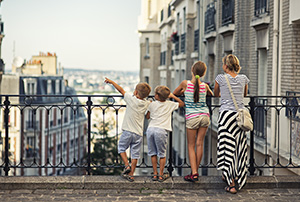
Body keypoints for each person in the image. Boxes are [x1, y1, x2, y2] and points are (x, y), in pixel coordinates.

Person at [214, 54, 249, 194]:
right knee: (238, 149)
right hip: (239, 117)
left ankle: (231, 183)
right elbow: (244, 95)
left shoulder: (220, 78)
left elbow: (216, 94)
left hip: (226, 117)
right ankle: (236, 177)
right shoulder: (244, 78)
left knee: (226, 148)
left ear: (226, 66)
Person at [104, 78, 151, 182]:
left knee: (121, 148)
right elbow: (148, 116)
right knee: (135, 154)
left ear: (136, 92)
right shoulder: (147, 104)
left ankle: (126, 165)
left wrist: (111, 82)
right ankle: (131, 175)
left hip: (127, 131)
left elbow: (121, 90)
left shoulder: (131, 99)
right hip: (138, 133)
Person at [173, 61, 213, 182]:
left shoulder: (185, 84)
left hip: (192, 117)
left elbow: (174, 93)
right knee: (199, 143)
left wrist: (183, 92)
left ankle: (194, 173)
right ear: (203, 73)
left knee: (191, 145)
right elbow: (211, 94)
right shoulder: (205, 86)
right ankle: (196, 171)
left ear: (192, 70)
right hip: (205, 116)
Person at [146, 86, 184, 182]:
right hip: (161, 130)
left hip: (150, 129)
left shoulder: (152, 104)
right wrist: (173, 96)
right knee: (162, 154)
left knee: (153, 153)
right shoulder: (170, 104)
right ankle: (161, 174)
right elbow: (182, 103)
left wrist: (150, 107)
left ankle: (154, 174)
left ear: (157, 96)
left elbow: (147, 117)